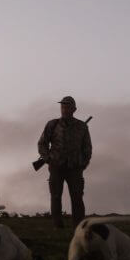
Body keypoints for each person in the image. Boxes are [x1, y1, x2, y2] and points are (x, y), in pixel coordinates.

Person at [37, 96, 92, 228]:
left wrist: (82, 164)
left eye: (67, 106)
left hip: (75, 168)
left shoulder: (82, 126)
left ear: (74, 109)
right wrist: (48, 159)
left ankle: (79, 228)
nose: (64, 109)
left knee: (77, 198)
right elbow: (42, 143)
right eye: (63, 106)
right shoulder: (52, 124)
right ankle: (58, 226)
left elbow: (87, 148)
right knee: (55, 197)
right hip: (56, 167)